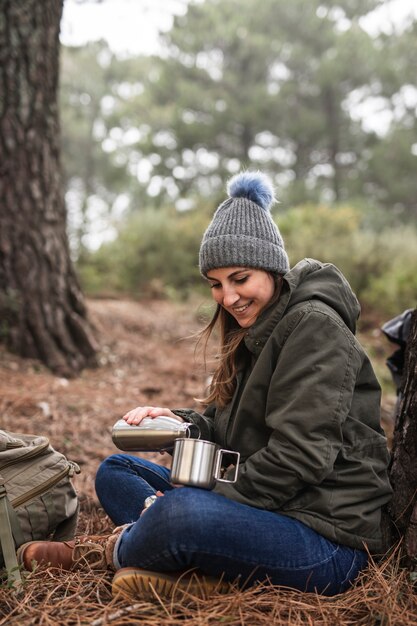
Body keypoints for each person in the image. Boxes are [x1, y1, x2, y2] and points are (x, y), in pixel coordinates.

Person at [17, 171, 392, 600]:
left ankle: (110, 550)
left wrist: (211, 497)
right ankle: (192, 565)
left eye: (240, 278)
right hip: (271, 509)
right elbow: (224, 428)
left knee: (180, 514)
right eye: (216, 284)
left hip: (324, 539)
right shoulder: (257, 331)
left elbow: (300, 457)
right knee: (118, 471)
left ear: (271, 269)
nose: (228, 297)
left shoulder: (314, 330)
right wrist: (182, 425)